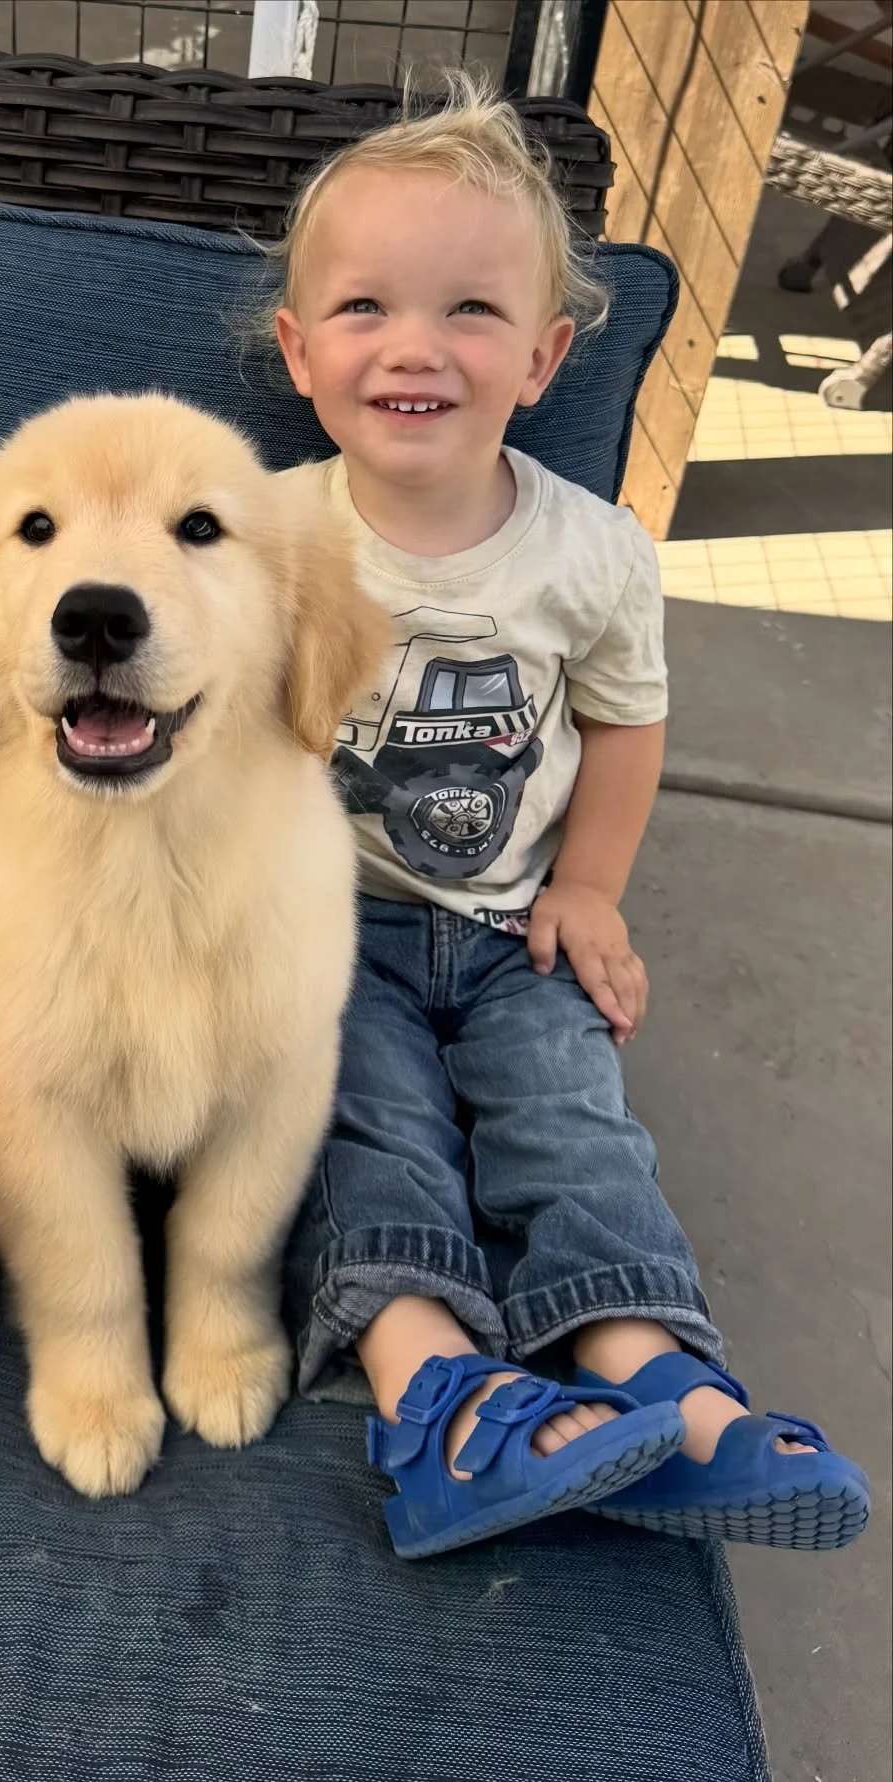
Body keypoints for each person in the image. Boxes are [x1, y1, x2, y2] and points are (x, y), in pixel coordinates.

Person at [268, 75, 869, 1558]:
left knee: (572, 1122)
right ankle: (438, 1399)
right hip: (327, 926)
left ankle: (661, 1386)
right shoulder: (266, 536)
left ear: (543, 358)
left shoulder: (592, 553)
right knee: (366, 1122)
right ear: (298, 350)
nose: (415, 345)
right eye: (364, 308)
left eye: (471, 311)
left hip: (512, 924)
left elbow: (625, 720)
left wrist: (589, 887)